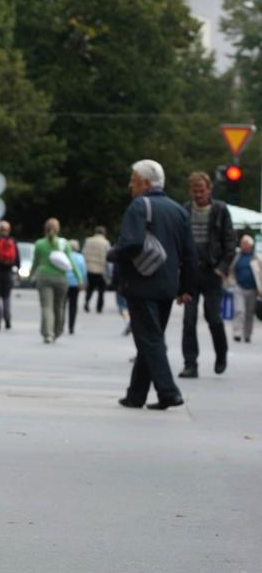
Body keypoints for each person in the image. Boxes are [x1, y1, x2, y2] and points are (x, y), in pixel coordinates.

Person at [111, 159, 196, 410]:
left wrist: (113, 253)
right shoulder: (179, 211)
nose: (130, 185)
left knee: (149, 339)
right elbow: (190, 254)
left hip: (142, 284)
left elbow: (133, 243)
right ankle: (136, 394)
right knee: (151, 338)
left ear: (147, 184)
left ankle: (169, 392)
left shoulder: (139, 206)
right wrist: (186, 288)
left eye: (133, 181)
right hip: (167, 286)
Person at [179, 171, 235, 378]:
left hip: (212, 272)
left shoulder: (220, 210)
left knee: (213, 317)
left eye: (202, 190)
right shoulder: (184, 210)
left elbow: (230, 242)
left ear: (209, 189)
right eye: (195, 191)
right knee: (188, 320)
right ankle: (190, 364)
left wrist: (222, 267)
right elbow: (180, 241)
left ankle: (221, 354)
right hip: (191, 272)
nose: (199, 194)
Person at [29, 218, 82, 343]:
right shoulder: (64, 244)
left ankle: (48, 333)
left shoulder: (39, 243)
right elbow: (71, 262)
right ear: (58, 229)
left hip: (44, 277)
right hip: (61, 279)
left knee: (46, 306)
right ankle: (57, 331)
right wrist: (79, 278)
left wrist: (31, 275)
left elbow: (35, 263)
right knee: (59, 306)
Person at [231, 234, 261, 343]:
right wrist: (231, 282)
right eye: (242, 243)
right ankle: (237, 333)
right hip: (239, 287)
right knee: (239, 310)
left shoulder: (256, 258)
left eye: (246, 244)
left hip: (252, 289)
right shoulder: (237, 256)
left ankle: (247, 334)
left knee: (249, 313)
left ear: (250, 246)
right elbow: (231, 270)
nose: (243, 245)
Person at [83, 226, 110, 313]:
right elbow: (108, 257)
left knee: (90, 288)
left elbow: (83, 253)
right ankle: (99, 308)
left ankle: (87, 302)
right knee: (101, 291)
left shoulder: (88, 241)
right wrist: (109, 273)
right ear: (104, 233)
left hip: (89, 268)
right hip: (101, 269)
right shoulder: (106, 243)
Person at [66, 239, 88, 335]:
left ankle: (60, 325)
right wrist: (82, 282)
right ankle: (71, 327)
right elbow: (83, 271)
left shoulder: (65, 256)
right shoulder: (80, 257)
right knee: (73, 306)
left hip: (65, 282)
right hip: (76, 284)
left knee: (61, 305)